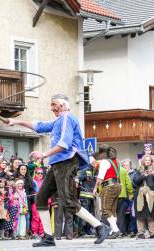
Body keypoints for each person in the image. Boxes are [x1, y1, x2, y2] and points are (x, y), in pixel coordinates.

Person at [6, 94, 110, 247]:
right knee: (41, 198)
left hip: (67, 162)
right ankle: (48, 237)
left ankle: (100, 226)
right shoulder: (58, 121)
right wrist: (16, 121)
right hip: (57, 164)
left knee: (68, 201)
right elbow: (39, 126)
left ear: (63, 105)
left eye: (54, 104)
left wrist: (44, 154)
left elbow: (64, 144)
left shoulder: (67, 118)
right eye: (51, 104)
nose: (51, 107)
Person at [92, 144, 122, 238]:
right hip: (117, 185)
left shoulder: (105, 162)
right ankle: (113, 230)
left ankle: (116, 230)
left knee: (105, 209)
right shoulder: (116, 161)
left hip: (109, 186)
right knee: (112, 210)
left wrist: (95, 188)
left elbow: (100, 178)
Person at [133, 155, 154, 239]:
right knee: (140, 214)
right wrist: (143, 175)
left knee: (151, 214)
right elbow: (135, 182)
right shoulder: (138, 171)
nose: (148, 161)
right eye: (146, 160)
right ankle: (140, 233)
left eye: (149, 160)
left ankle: (152, 233)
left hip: (151, 194)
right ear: (143, 161)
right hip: (140, 195)